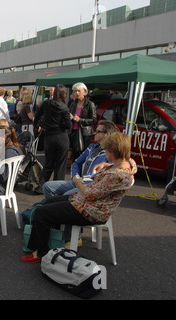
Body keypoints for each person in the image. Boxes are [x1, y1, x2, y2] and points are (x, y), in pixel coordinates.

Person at [23, 132, 137, 263]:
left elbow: (89, 194)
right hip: (90, 204)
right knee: (48, 202)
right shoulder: (128, 165)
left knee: (41, 212)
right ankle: (52, 243)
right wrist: (106, 165)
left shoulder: (116, 176)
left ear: (113, 151)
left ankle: (40, 252)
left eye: (107, 150)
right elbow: (129, 163)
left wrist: (77, 180)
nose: (105, 152)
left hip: (91, 211)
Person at [43, 120, 117, 199]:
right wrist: (76, 177)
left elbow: (115, 168)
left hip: (90, 186)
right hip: (78, 181)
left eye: (98, 131)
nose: (94, 133)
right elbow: (77, 163)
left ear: (107, 134)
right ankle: (54, 208)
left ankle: (58, 207)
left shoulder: (110, 153)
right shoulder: (91, 147)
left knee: (66, 196)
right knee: (47, 187)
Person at [33, 84, 72, 193]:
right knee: (60, 165)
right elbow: (68, 125)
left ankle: (40, 187)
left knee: (48, 163)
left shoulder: (46, 104)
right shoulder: (64, 107)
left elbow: (37, 115)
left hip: (49, 137)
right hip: (61, 137)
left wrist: (38, 125)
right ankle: (57, 188)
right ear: (64, 94)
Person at [0, 124, 23, 233]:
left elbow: (3, 176)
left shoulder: (8, 152)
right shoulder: (13, 149)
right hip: (7, 187)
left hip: (2, 187)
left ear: (4, 137)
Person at [68, 82, 97, 161]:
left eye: (79, 91)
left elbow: (94, 119)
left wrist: (80, 120)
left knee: (83, 155)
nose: (77, 93)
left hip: (85, 134)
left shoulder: (90, 104)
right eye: (75, 91)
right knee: (75, 155)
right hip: (74, 132)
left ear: (84, 91)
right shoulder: (73, 104)